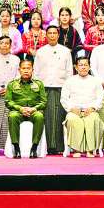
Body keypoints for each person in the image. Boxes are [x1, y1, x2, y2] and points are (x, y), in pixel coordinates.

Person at [34, 26, 74, 154]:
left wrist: (69, 89)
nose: (52, 35)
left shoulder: (65, 51)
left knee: (59, 118)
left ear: (58, 35)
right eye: (49, 33)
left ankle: (59, 147)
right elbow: (36, 72)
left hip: (60, 88)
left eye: (54, 33)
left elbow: (69, 72)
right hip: (44, 89)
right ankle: (45, 147)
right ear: (46, 35)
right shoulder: (40, 52)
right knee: (46, 118)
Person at [63, 56, 104, 157]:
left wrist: (93, 108)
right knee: (73, 120)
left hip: (90, 110)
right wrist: (72, 109)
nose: (83, 67)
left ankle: (90, 150)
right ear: (76, 67)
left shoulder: (95, 81)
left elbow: (100, 98)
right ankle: (76, 150)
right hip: (74, 111)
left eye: (86, 65)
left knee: (94, 120)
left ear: (89, 67)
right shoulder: (69, 81)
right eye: (81, 65)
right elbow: (64, 98)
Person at [5, 58, 46, 158]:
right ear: (19, 70)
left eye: (28, 68)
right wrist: (20, 109)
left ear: (32, 70)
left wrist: (34, 109)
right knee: (13, 116)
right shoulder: (12, 84)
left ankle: (34, 148)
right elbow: (8, 101)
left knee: (39, 116)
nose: (26, 70)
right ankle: (16, 148)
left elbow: (44, 102)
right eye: (23, 68)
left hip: (33, 111)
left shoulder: (39, 84)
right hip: (18, 112)